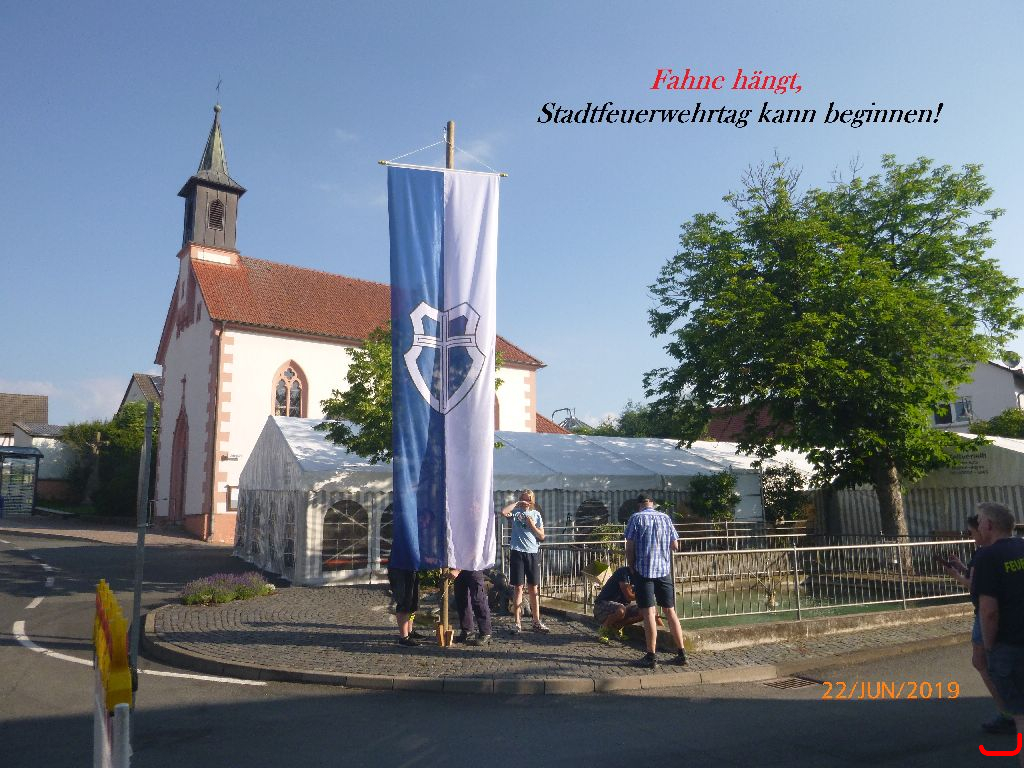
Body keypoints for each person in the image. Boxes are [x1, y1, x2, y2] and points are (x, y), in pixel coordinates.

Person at [943, 513, 1014, 734]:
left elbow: (976, 586)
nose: (972, 536)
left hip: (985, 615)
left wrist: (956, 576)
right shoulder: (1008, 550)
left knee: (983, 661)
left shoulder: (985, 554)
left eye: (973, 531)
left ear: (985, 528)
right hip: (1006, 613)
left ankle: (1008, 711)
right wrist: (962, 567)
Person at [974, 501, 1024, 757]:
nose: (977, 525)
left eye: (979, 520)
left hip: (1010, 645)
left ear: (989, 524)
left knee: (1021, 719)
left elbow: (989, 612)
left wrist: (990, 646)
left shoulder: (988, 556)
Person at [625, 495, 687, 669]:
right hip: (663, 571)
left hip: (644, 571)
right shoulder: (665, 518)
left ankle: (651, 656)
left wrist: (631, 565)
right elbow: (675, 545)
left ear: (639, 505)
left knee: (648, 614)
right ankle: (681, 653)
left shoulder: (636, 518)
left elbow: (629, 546)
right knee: (670, 611)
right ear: (652, 504)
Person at [500, 490, 550, 633]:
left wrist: (532, 525)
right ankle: (517, 623)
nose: (525, 502)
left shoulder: (536, 514)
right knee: (518, 588)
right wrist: (517, 503)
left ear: (532, 501)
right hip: (517, 552)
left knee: (534, 588)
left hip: (532, 552)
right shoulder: (516, 513)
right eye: (523, 499)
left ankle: (536, 621)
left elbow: (542, 536)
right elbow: (503, 512)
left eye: (528, 499)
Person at [593, 565, 643, 644]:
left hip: (621, 607)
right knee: (621, 610)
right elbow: (629, 596)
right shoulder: (623, 572)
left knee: (644, 612)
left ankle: (617, 627)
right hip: (602, 606)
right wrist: (644, 595)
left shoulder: (640, 577)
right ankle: (603, 629)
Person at [453, 568, 493, 646]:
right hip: (458, 568)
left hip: (473, 567)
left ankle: (486, 632)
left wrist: (458, 569)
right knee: (461, 599)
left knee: (478, 598)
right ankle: (467, 630)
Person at [387, 566, 422, 647]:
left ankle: (409, 631)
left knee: (413, 604)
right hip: (401, 569)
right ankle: (404, 637)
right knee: (404, 603)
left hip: (412, 568)